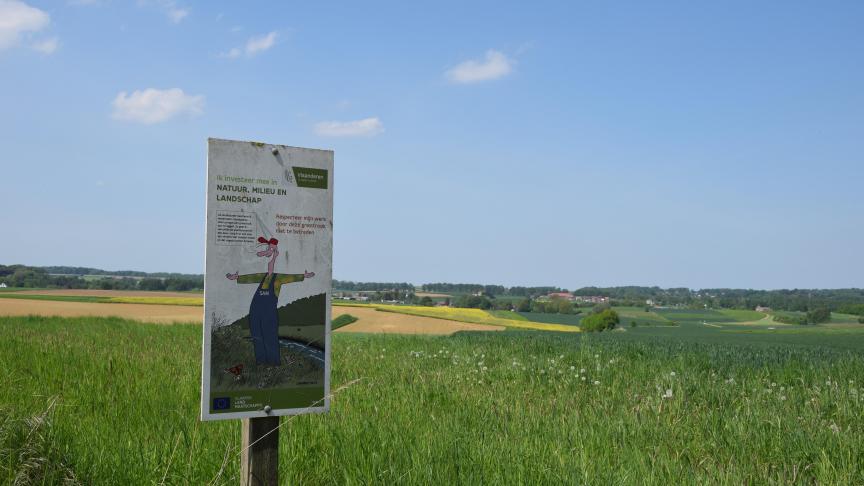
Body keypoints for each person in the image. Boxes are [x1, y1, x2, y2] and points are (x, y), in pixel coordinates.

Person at [226, 236, 314, 365]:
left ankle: (273, 364)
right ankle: (261, 363)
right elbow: (250, 278)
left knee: (270, 337)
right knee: (257, 337)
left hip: (269, 313)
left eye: (272, 251)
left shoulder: (279, 278)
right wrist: (236, 277)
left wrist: (303, 276)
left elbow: (291, 277)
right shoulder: (262, 277)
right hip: (255, 311)